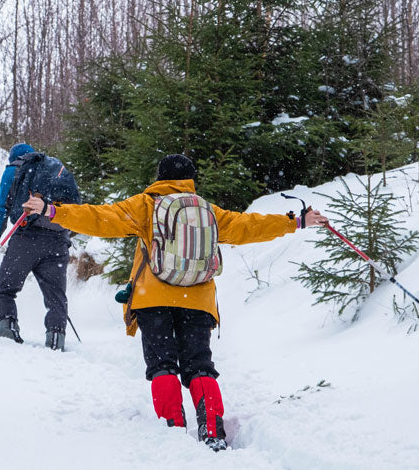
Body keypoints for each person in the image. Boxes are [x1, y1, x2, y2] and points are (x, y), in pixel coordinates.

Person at [22, 153, 328, 450]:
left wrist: (52, 210)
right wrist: (296, 221)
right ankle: (212, 430)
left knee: (162, 365)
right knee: (200, 366)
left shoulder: (145, 205)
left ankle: (173, 429)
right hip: (197, 298)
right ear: (190, 180)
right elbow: (248, 226)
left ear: (160, 178)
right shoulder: (207, 210)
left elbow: (100, 218)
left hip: (152, 298)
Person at [0, 143, 78, 351]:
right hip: (58, 240)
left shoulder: (14, 170)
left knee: (4, 291)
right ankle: (56, 340)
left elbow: (2, 211)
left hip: (27, 239)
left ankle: (8, 338)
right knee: (56, 297)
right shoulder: (55, 168)